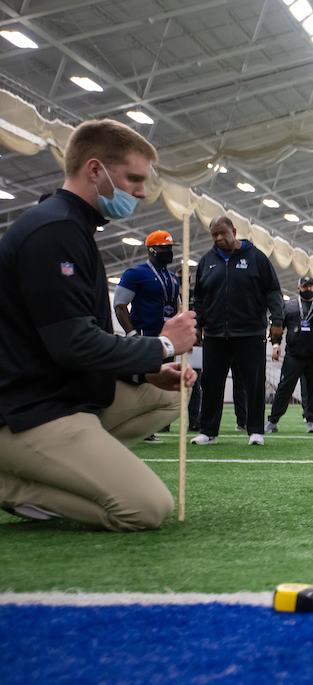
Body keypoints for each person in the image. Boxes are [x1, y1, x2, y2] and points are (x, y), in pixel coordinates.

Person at [0, 118, 196, 530]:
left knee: (172, 395)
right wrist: (161, 345)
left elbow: (83, 339)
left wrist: (145, 369)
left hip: (63, 393)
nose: (142, 192)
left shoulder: (75, 229)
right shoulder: (54, 233)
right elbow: (73, 345)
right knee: (145, 509)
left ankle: (71, 469)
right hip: (29, 409)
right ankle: (14, 486)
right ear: (95, 170)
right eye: (134, 179)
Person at [191, 217, 283, 446]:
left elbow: (273, 291)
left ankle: (255, 431)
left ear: (233, 231)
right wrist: (198, 326)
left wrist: (277, 321)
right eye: (214, 235)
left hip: (250, 332)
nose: (219, 239)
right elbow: (199, 299)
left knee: (254, 383)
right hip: (214, 334)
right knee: (211, 383)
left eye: (223, 233)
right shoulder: (206, 261)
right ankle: (208, 431)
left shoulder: (257, 258)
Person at [113, 229, 182, 444]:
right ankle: (138, 427)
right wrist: (132, 333)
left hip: (166, 339)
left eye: (170, 248)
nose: (168, 252)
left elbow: (176, 306)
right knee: (144, 382)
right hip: (145, 336)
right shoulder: (136, 274)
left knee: (165, 380)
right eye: (164, 248)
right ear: (152, 249)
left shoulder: (172, 278)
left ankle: (154, 426)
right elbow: (120, 304)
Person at [266, 275, 313, 434]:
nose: (308, 289)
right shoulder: (289, 306)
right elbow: (278, 326)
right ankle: (273, 420)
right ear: (298, 288)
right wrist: (276, 345)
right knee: (284, 388)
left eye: (310, 286)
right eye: (305, 286)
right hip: (294, 355)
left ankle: (312, 421)